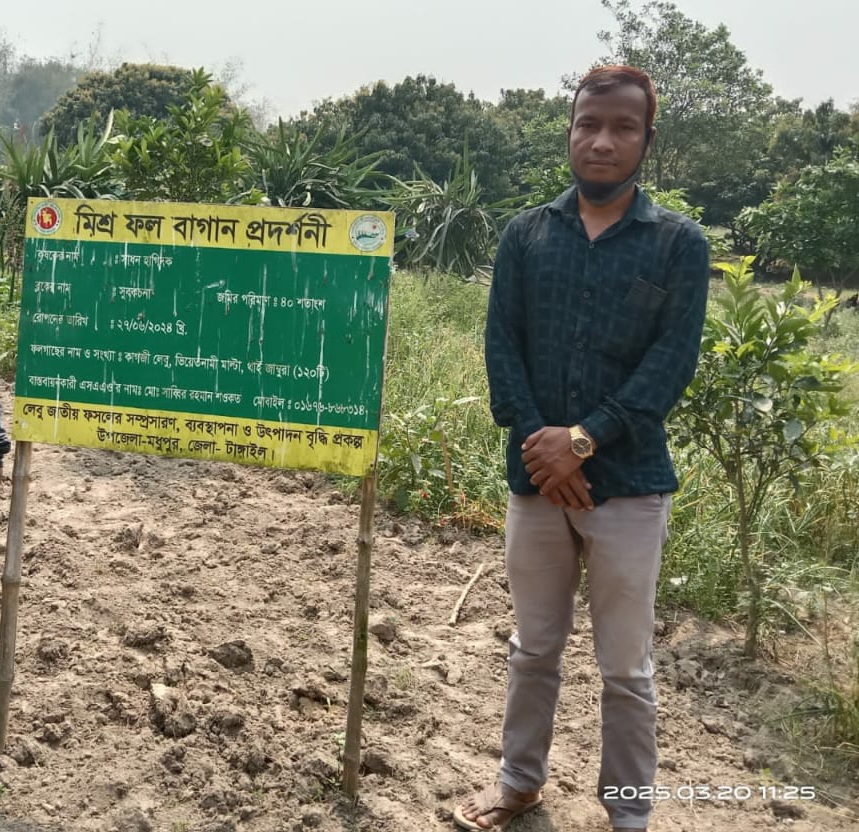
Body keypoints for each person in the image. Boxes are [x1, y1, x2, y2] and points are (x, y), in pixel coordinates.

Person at [453, 65, 710, 832]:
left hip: (628, 485)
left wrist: (584, 439)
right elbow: (502, 344)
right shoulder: (526, 235)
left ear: (646, 141)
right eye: (587, 124)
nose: (601, 141)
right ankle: (518, 784)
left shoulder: (676, 244)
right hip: (535, 482)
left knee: (625, 666)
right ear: (568, 132)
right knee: (532, 647)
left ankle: (627, 813)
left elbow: (670, 362)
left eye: (621, 127)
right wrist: (545, 449)